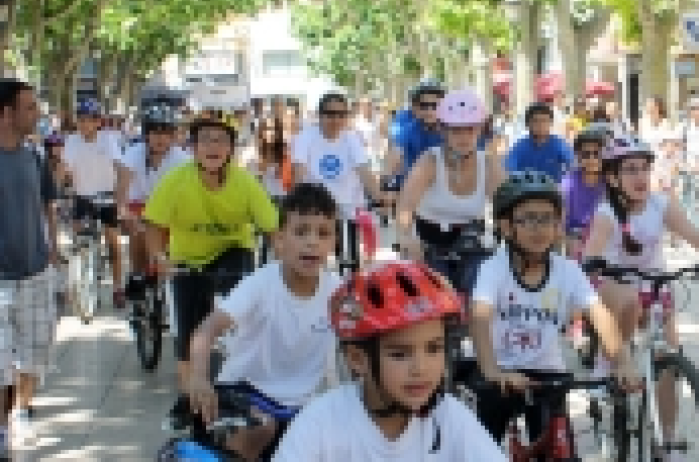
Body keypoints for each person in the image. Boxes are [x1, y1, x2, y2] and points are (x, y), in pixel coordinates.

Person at [582, 137, 699, 461]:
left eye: (645, 168)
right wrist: (592, 260)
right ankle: (608, 362)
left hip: (656, 284)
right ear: (612, 178)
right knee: (631, 299)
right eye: (630, 169)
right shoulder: (607, 213)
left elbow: (692, 233)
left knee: (669, 361)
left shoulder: (662, 204)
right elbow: (593, 248)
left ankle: (666, 438)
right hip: (612, 283)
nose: (640, 176)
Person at [469, 171, 639, 446]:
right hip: (500, 372)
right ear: (506, 225)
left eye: (547, 218)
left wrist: (624, 362)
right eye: (528, 219)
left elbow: (600, 315)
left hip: (547, 375)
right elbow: (479, 318)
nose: (539, 227)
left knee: (559, 448)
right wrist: (491, 371)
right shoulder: (493, 268)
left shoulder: (567, 270)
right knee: (483, 447)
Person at [272, 261, 505, 461]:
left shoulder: (449, 418)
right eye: (400, 354)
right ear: (357, 359)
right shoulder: (321, 423)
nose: (420, 368)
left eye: (433, 348)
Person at [182, 183, 341, 460]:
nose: (312, 241)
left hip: (303, 404)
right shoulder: (260, 285)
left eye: (323, 233)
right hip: (245, 391)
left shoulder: (338, 293)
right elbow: (207, 329)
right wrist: (198, 378)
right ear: (279, 240)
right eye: (301, 231)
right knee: (262, 428)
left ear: (333, 243)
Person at [142, 116, 279, 420]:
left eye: (221, 140)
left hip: (234, 252)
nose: (213, 146)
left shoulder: (245, 182)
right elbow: (153, 224)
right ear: (192, 147)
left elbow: (272, 229)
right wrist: (158, 257)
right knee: (188, 332)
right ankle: (188, 397)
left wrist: (286, 263)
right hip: (187, 260)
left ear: (231, 148)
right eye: (205, 139)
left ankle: (242, 373)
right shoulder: (176, 180)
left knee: (240, 303)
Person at [393, 90, 506, 290]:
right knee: (433, 300)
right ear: (442, 130)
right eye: (456, 130)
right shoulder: (429, 160)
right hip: (430, 245)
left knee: (482, 296)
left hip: (474, 244)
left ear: (480, 129)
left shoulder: (488, 163)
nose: (463, 137)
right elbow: (406, 205)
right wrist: (405, 237)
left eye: (470, 129)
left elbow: (506, 205)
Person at [0, 80, 60, 454]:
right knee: (1, 360)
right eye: (28, 107)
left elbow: (47, 203)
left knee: (35, 354)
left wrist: (52, 247)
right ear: (5, 113)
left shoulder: (35, 156)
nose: (36, 114)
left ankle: (21, 412)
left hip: (36, 273)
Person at [291, 92, 386, 266]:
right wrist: (298, 202)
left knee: (349, 264)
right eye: (330, 114)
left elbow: (364, 172)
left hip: (348, 207)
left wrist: (379, 197)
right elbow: (299, 174)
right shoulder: (305, 138)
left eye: (342, 114)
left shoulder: (352, 139)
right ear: (319, 115)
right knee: (316, 264)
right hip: (316, 209)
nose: (336, 119)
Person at [115, 105, 191, 303]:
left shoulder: (182, 159)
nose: (160, 138)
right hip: (140, 204)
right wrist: (122, 211)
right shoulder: (134, 153)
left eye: (166, 132)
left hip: (170, 208)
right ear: (146, 134)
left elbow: (190, 192)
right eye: (155, 131)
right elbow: (122, 185)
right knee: (139, 230)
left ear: (173, 136)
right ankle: (137, 274)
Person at [62, 98, 126, 307]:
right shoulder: (72, 141)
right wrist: (59, 187)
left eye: (88, 120)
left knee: (113, 243)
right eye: (80, 119)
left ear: (98, 122)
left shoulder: (108, 139)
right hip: (82, 197)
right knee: (78, 240)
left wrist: (120, 196)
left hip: (107, 196)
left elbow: (118, 165)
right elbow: (65, 168)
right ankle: (76, 284)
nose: (83, 124)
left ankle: (117, 288)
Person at [560, 125, 608, 256]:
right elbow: (561, 222)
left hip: (607, 234)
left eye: (597, 154)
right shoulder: (568, 183)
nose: (592, 159)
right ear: (578, 156)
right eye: (586, 154)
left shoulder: (613, 182)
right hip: (576, 235)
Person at [386, 79, 445, 179]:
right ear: (415, 107)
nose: (429, 110)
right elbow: (395, 150)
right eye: (423, 106)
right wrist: (387, 181)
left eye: (435, 106)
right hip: (412, 184)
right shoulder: (407, 127)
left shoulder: (454, 129)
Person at [504, 102, 574, 182]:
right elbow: (509, 168)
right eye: (535, 121)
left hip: (553, 189)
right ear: (527, 124)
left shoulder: (559, 144)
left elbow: (572, 165)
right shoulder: (519, 147)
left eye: (544, 121)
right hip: (526, 189)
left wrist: (566, 181)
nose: (540, 125)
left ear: (551, 123)